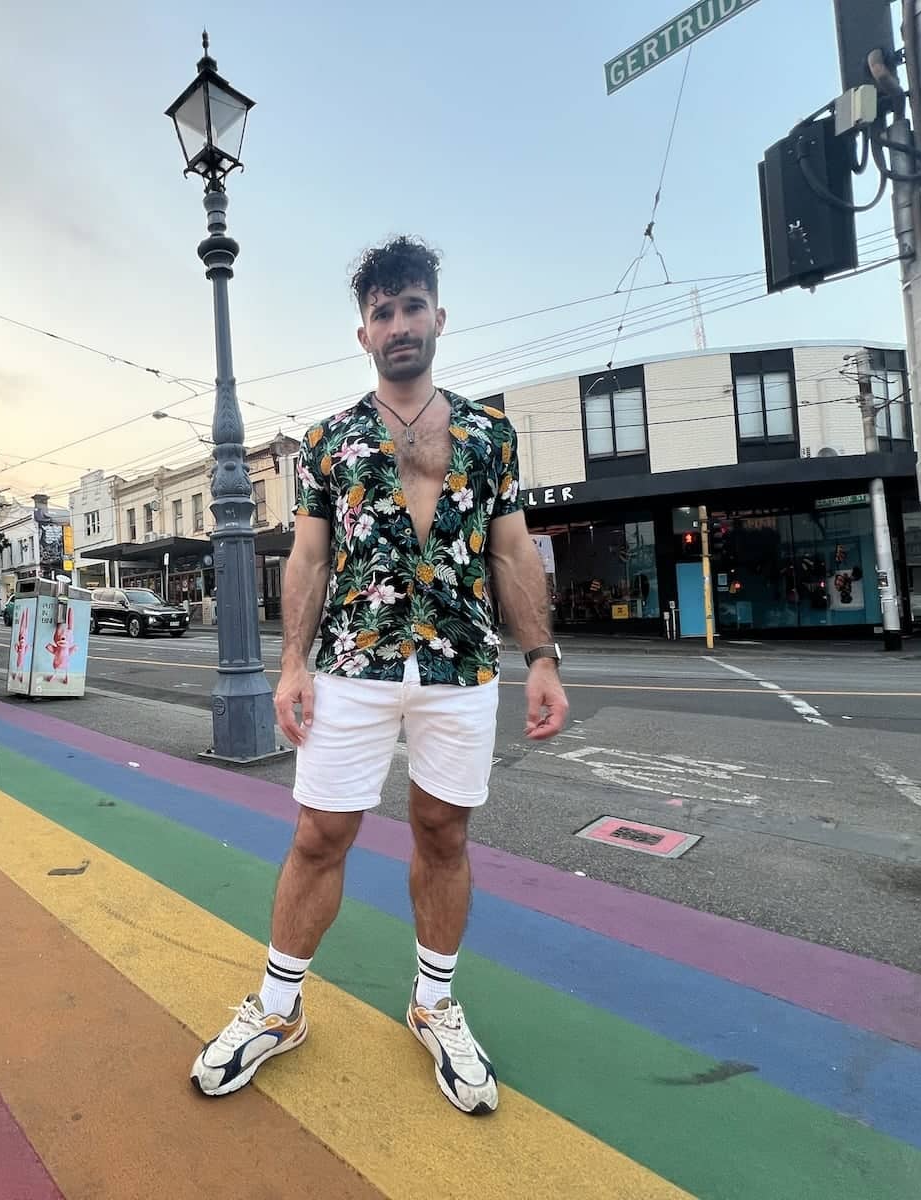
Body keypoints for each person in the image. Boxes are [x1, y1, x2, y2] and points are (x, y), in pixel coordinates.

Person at [191, 237, 569, 1115]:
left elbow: (511, 550)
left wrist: (541, 657)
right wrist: (291, 661)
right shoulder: (330, 441)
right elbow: (309, 556)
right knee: (320, 836)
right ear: (363, 332)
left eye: (412, 306)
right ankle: (278, 1010)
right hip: (354, 667)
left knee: (443, 834)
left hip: (462, 664)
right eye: (382, 311)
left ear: (439, 315)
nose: (399, 323)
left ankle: (434, 1004)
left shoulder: (489, 434)